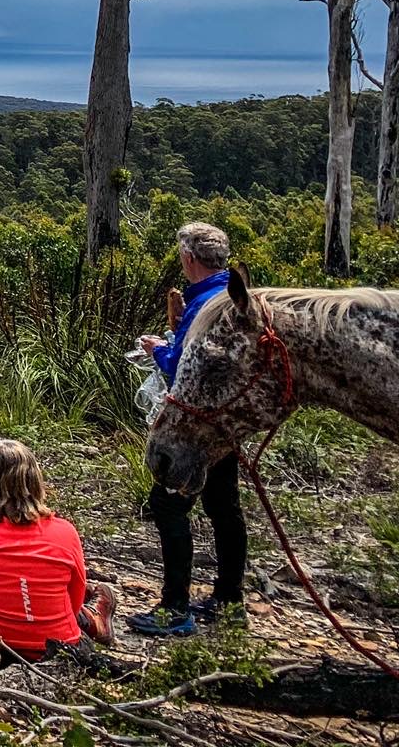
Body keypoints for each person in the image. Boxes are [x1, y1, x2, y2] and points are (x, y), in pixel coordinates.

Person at [130, 220, 249, 638]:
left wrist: (159, 349)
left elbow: (184, 370)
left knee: (168, 506)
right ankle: (230, 599)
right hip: (226, 424)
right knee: (223, 506)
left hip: (194, 429)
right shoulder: (231, 296)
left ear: (188, 259)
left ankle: (175, 608)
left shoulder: (207, 305)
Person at [0, 438, 116, 661]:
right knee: (68, 600)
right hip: (62, 646)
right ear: (35, 478)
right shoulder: (66, 531)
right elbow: (75, 599)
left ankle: (95, 618)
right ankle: (96, 618)